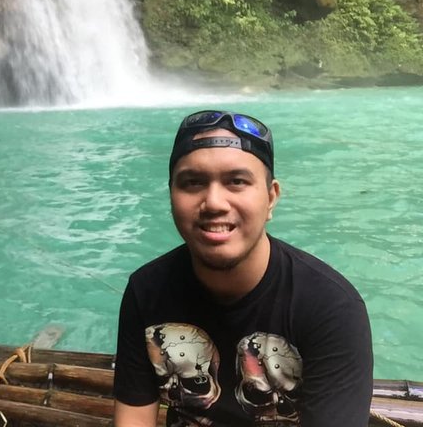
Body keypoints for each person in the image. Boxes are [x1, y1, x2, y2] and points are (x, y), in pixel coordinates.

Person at [113, 110, 373, 427]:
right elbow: (134, 418)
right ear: (171, 196)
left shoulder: (332, 308)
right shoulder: (146, 290)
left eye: (237, 181)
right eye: (192, 182)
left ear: (271, 198)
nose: (214, 202)